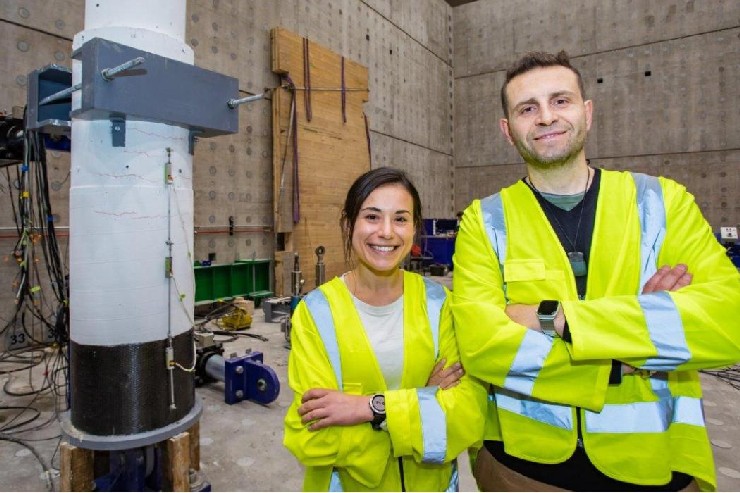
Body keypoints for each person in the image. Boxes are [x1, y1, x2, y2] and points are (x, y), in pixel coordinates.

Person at [452, 50, 740, 491]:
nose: (546, 117)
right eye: (528, 109)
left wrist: (556, 318)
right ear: (508, 132)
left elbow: (728, 321)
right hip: (522, 470)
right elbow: (481, 344)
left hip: (654, 468)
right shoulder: (485, 220)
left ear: (587, 112)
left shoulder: (661, 203)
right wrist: (625, 350)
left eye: (560, 101)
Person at [284, 167, 487, 491]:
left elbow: (466, 418)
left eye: (401, 219)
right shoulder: (316, 313)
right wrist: (424, 399)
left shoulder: (440, 304)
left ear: (415, 228)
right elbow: (312, 439)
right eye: (373, 217)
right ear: (349, 224)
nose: (387, 232)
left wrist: (365, 408)